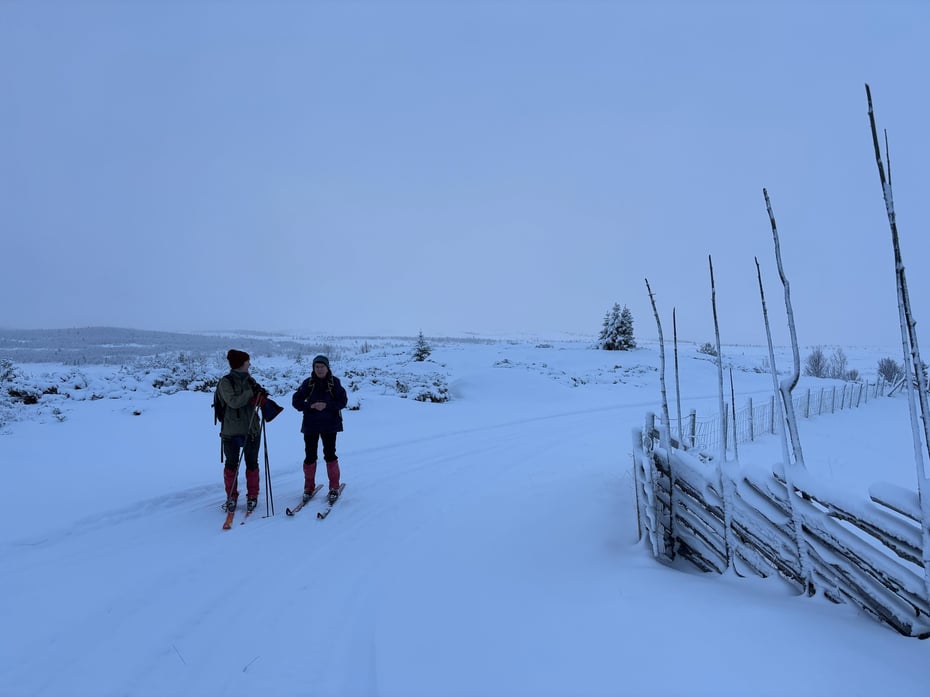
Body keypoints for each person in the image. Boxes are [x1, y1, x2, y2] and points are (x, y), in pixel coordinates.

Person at [216, 349, 269, 513]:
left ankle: (252, 496)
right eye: (247, 362)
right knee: (231, 465)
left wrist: (261, 396)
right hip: (231, 431)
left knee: (252, 464)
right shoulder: (225, 382)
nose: (249, 364)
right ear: (240, 364)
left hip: (251, 429)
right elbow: (233, 402)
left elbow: (253, 400)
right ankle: (231, 497)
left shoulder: (250, 380)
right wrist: (251, 393)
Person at [292, 354, 348, 504]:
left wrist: (327, 405)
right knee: (310, 456)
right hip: (311, 425)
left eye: (322, 366)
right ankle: (308, 488)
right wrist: (310, 406)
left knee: (330, 455)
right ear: (313, 368)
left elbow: (343, 401)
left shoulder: (334, 383)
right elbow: (296, 401)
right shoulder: (308, 383)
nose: (319, 369)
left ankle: (334, 487)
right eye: (317, 367)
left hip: (330, 425)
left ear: (327, 368)